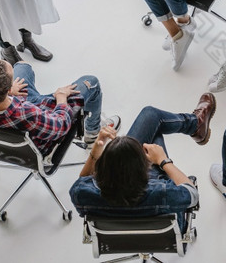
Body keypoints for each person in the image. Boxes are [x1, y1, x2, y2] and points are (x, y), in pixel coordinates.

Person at [69, 94, 217, 232]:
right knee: (152, 121)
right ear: (146, 168)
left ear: (102, 170)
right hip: (163, 228)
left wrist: (97, 147)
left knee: (152, 127)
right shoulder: (163, 192)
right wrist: (163, 160)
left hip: (120, 235)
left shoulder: (81, 194)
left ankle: (195, 124)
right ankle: (195, 124)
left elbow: (83, 180)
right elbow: (192, 194)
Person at [0, 60, 120, 154]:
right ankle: (92, 134)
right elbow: (60, 125)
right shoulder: (27, 114)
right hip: (36, 136)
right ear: (7, 90)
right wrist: (61, 99)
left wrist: (11, 92)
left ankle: (26, 89)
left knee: (22, 66)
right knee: (91, 82)